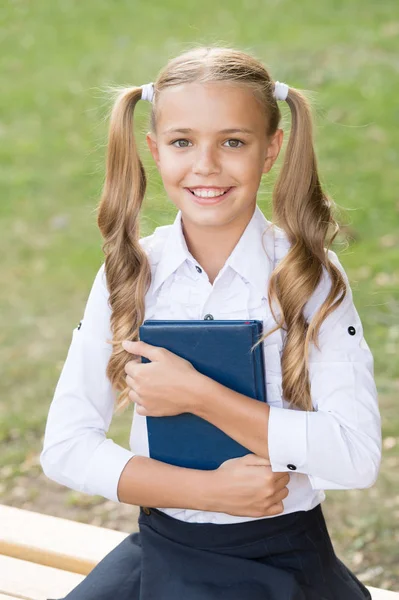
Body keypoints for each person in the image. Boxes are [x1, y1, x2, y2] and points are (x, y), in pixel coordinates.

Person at [40, 46, 381, 599]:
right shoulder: (129, 273)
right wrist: (209, 492)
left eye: (233, 142)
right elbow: (65, 447)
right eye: (182, 142)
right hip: (163, 551)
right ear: (154, 150)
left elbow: (356, 455)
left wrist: (199, 395)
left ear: (271, 150)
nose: (206, 165)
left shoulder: (306, 276)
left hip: (282, 558)